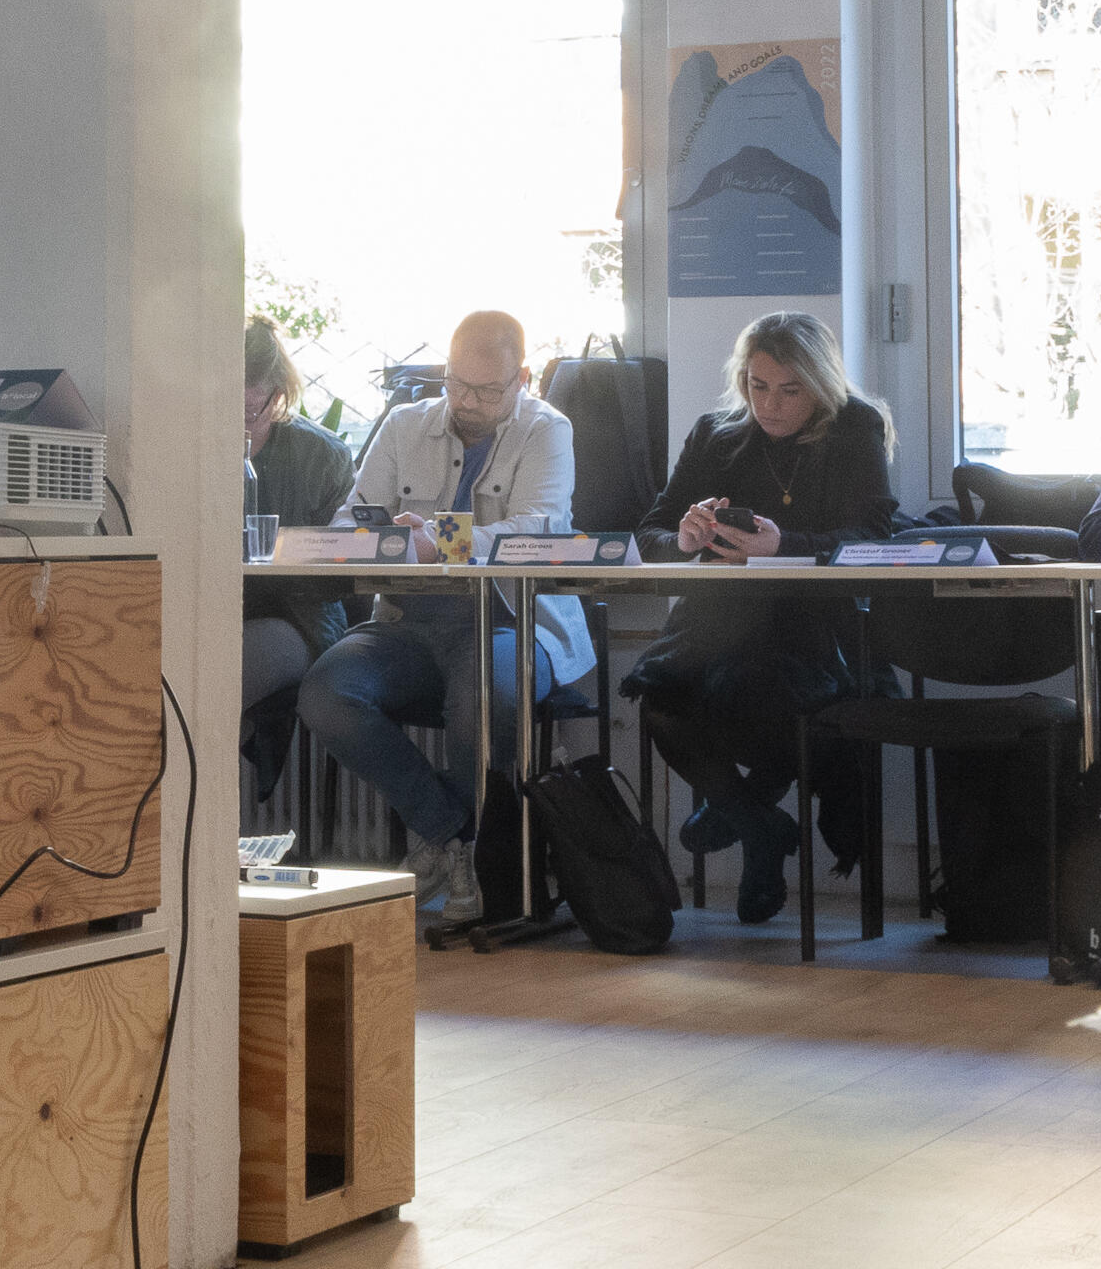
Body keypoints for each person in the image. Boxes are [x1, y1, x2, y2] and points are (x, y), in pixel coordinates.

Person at [290, 311, 587, 897]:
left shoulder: (548, 430)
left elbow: (539, 528)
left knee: (486, 694)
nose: (467, 401)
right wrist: (387, 539)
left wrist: (439, 542)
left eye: (486, 389)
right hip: (405, 621)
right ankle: (451, 833)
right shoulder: (404, 425)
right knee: (325, 693)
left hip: (508, 620)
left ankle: (469, 861)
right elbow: (350, 518)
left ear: (522, 377)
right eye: (456, 384)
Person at [625, 311, 897, 925]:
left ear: (821, 384)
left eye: (790, 389)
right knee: (661, 702)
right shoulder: (717, 433)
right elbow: (652, 530)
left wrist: (786, 545)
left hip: (820, 628)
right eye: (757, 386)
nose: (769, 405)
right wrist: (687, 538)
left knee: (761, 690)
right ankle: (758, 828)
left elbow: (873, 534)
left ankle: (744, 821)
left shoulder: (854, 427)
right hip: (718, 619)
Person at [236, 322, 354, 816]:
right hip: (213, 612)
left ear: (277, 397)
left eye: (246, 410)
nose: (232, 423)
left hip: (299, 616)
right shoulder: (187, 449)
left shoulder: (319, 454)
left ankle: (209, 847)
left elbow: (345, 567)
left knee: (208, 678)